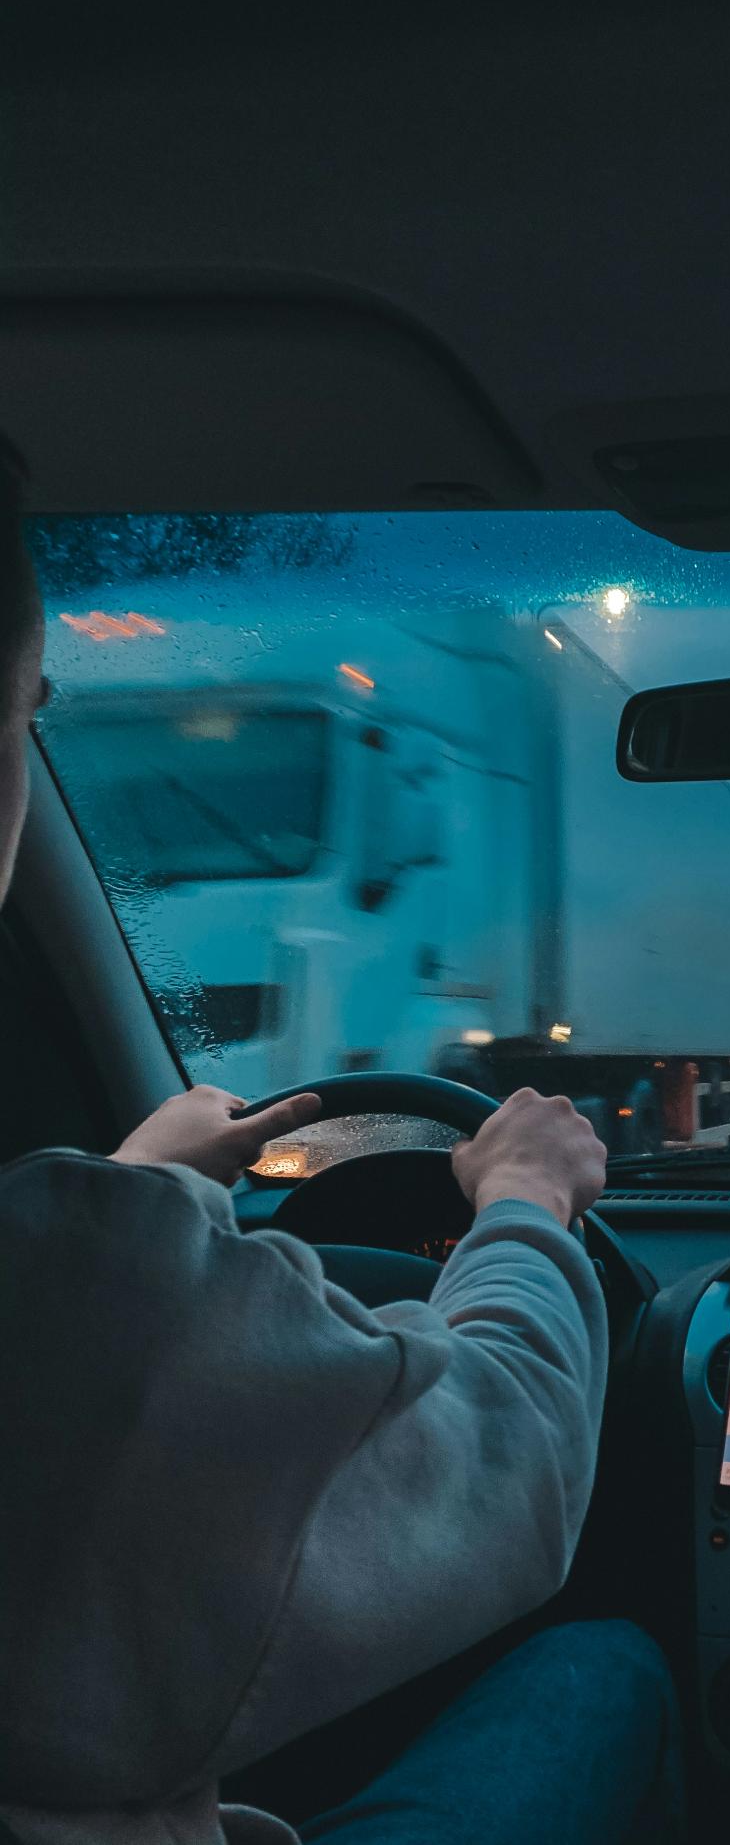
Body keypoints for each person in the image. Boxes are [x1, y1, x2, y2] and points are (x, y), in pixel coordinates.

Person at [0, 451, 685, 1845]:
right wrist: (526, 1202)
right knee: (607, 1673)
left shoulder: (71, 1272)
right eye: (29, 716)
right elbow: (512, 1466)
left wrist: (128, 1196)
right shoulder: (85, 1302)